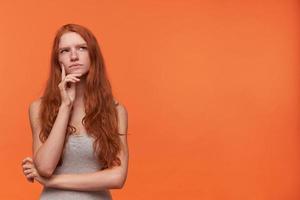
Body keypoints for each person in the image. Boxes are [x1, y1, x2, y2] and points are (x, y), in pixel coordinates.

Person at [21, 23, 129, 200]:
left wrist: (54, 181)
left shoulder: (115, 111)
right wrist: (65, 106)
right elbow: (45, 167)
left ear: (93, 54)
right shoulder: (38, 108)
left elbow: (117, 177)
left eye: (81, 48)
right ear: (58, 60)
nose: (73, 56)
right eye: (65, 50)